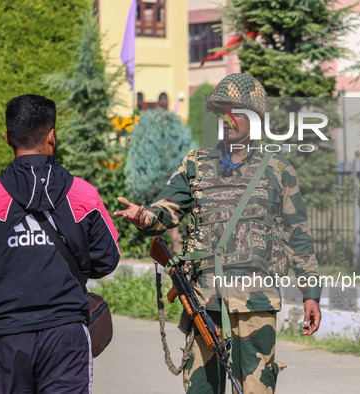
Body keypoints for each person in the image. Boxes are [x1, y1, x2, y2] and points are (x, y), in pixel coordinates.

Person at [115, 73, 322, 393]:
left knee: (255, 390)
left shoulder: (278, 171)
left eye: (236, 111)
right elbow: (166, 211)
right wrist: (144, 217)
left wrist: (311, 295)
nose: (227, 119)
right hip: (204, 303)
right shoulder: (195, 165)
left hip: (256, 307)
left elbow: (299, 237)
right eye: (221, 111)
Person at [0, 94, 120, 394]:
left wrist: (3, 259)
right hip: (67, 338)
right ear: (52, 136)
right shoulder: (83, 193)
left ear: (8, 137)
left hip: (4, 339)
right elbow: (108, 259)